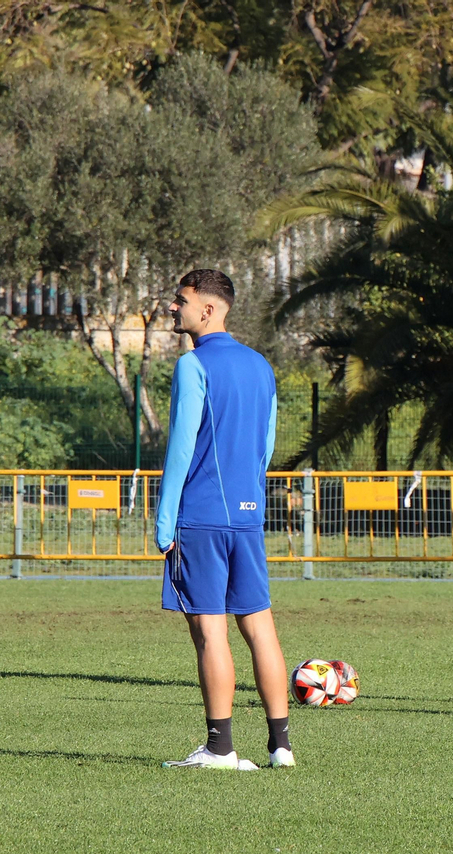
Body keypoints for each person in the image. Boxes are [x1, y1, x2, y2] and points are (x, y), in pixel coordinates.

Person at [156, 269, 292, 770]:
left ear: (208, 310)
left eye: (180, 300)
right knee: (260, 628)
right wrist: (249, 500)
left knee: (210, 632)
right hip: (248, 517)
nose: (174, 308)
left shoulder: (193, 365)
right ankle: (281, 747)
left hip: (202, 519)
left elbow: (180, 448)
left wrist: (165, 522)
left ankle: (219, 747)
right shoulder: (261, 366)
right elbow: (267, 447)